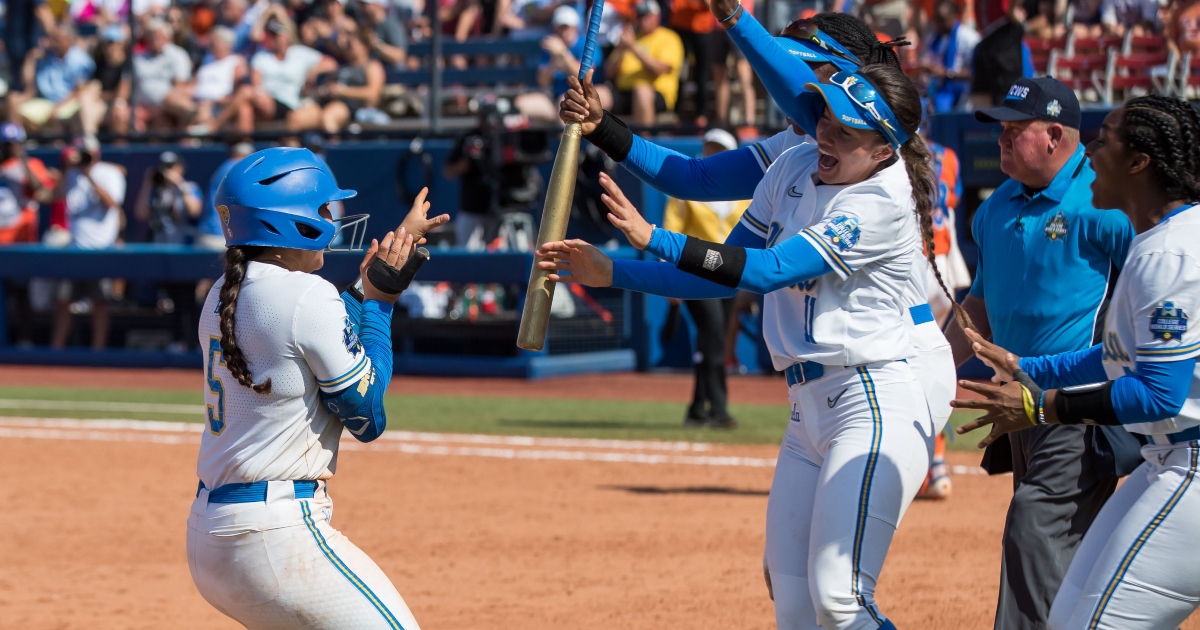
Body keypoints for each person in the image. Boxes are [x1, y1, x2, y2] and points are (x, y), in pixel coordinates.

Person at [545, 61, 961, 630]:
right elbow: (723, 272)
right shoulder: (793, 165)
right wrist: (615, 272)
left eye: (847, 130)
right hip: (805, 409)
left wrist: (654, 237)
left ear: (883, 150)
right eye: (825, 119)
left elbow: (767, 271)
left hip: (873, 397)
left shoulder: (883, 199)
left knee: (839, 599)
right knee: (793, 607)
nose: (826, 134)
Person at [563, 9, 959, 498]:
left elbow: (791, 86)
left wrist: (732, 17)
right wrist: (603, 127)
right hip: (838, 370)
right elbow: (695, 180)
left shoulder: (871, 149)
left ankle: (935, 462)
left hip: (893, 362)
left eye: (811, 69)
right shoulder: (800, 150)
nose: (797, 89)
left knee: (838, 568)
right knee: (797, 569)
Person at [952, 95, 1200, 630]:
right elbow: (1115, 357)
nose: (1089, 151)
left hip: (1186, 460)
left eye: (1103, 141)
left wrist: (1043, 406)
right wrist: (1029, 370)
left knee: (1079, 605)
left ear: (1140, 164)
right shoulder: (1163, 241)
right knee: (1068, 608)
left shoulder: (1166, 253)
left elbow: (1159, 394)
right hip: (1162, 456)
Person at [189, 146, 448, 627]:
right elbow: (367, 414)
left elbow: (303, 336)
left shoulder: (224, 291)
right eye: (323, 208)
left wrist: (366, 290)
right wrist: (382, 303)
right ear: (291, 220)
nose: (332, 218)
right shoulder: (307, 294)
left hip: (213, 535)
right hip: (274, 534)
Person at [662, 129, 747, 428]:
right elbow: (670, 231)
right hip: (695, 271)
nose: (714, 152)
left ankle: (697, 409)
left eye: (721, 148)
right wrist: (667, 274)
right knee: (713, 337)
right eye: (710, 146)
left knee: (712, 339)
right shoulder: (686, 186)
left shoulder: (743, 189)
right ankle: (719, 410)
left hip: (732, 273)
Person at [51, 136, 126, 351]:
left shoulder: (109, 173)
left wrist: (89, 176)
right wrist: (67, 169)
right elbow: (56, 197)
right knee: (63, 301)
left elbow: (111, 203)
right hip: (74, 248)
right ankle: (56, 350)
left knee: (100, 303)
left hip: (101, 248)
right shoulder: (72, 174)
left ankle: (98, 351)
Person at [203, 14, 334, 134]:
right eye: (270, 35)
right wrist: (260, 94)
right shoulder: (261, 57)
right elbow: (257, 84)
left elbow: (330, 63)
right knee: (245, 107)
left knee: (245, 92)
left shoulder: (300, 53)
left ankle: (214, 126)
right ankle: (245, 148)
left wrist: (313, 71)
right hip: (265, 102)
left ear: (286, 36)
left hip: (289, 102)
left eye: (276, 35)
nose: (272, 39)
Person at [8, 23, 105, 136]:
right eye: (53, 38)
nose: (54, 42)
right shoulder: (46, 57)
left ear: (68, 40)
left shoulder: (81, 60)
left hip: (70, 103)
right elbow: (27, 84)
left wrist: (58, 107)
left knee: (59, 117)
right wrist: (31, 59)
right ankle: (15, 145)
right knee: (13, 103)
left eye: (58, 39)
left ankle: (58, 147)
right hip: (46, 102)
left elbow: (80, 90)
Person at [605, 0, 683, 126]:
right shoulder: (629, 38)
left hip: (656, 93)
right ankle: (584, 143)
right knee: (598, 95)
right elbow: (609, 73)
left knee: (642, 91)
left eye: (645, 16)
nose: (641, 21)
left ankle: (643, 142)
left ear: (656, 17)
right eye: (639, 16)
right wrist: (621, 50)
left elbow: (659, 70)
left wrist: (634, 48)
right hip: (625, 93)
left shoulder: (669, 38)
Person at [316, 28, 387, 134]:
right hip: (328, 104)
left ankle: (334, 147)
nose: (347, 48)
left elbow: (373, 94)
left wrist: (343, 91)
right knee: (298, 118)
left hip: (352, 109)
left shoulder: (371, 66)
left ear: (364, 47)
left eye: (351, 45)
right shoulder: (342, 66)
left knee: (328, 116)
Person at [132, 19, 196, 132]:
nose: (154, 39)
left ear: (168, 37)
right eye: (151, 35)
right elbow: (128, 85)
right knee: (127, 117)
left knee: (165, 120)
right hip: (140, 108)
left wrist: (158, 108)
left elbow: (180, 87)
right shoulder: (138, 58)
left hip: (166, 108)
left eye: (158, 35)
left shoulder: (177, 55)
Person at [921, 0, 980, 113]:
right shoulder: (934, 38)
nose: (939, 24)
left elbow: (975, 72)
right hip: (939, 94)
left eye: (943, 20)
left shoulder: (969, 38)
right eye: (937, 20)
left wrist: (947, 73)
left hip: (964, 95)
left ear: (953, 16)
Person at [0, 123, 54, 245]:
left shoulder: (32, 164)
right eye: (5, 145)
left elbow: (38, 189)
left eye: (13, 144)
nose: (9, 149)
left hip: (20, 237)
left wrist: (22, 159)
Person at [189, 26, 248, 133]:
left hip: (221, 103)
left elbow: (239, 87)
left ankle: (211, 128)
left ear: (227, 45)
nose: (211, 46)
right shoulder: (206, 63)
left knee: (243, 108)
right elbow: (192, 86)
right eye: (211, 43)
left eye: (215, 42)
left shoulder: (235, 61)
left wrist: (215, 101)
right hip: (199, 102)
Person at [668, 0, 717, 125]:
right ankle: (675, 114)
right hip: (679, 24)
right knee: (679, 71)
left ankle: (702, 116)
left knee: (702, 72)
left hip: (702, 27)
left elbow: (713, 5)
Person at [91, 24, 133, 135]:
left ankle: (119, 151)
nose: (109, 47)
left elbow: (122, 94)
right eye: (106, 43)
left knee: (118, 113)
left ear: (121, 44)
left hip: (118, 106)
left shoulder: (128, 64)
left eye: (112, 42)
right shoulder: (99, 64)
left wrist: (102, 96)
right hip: (100, 105)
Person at [359, 0, 409, 66]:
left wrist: (376, 44)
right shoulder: (366, 25)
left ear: (377, 5)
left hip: (392, 72)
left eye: (366, 5)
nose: (363, 9)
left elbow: (399, 55)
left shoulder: (391, 25)